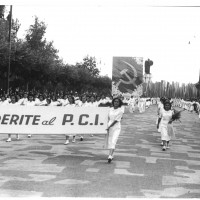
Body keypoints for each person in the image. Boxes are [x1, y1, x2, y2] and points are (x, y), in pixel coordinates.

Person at [105, 97, 123, 163]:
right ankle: (111, 153)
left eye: (117, 102)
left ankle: (110, 155)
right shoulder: (110, 109)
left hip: (116, 127)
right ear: (113, 102)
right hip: (109, 126)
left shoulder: (120, 111)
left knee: (114, 140)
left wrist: (109, 126)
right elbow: (106, 117)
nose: (116, 103)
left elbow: (116, 120)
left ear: (119, 103)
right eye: (115, 101)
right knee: (110, 140)